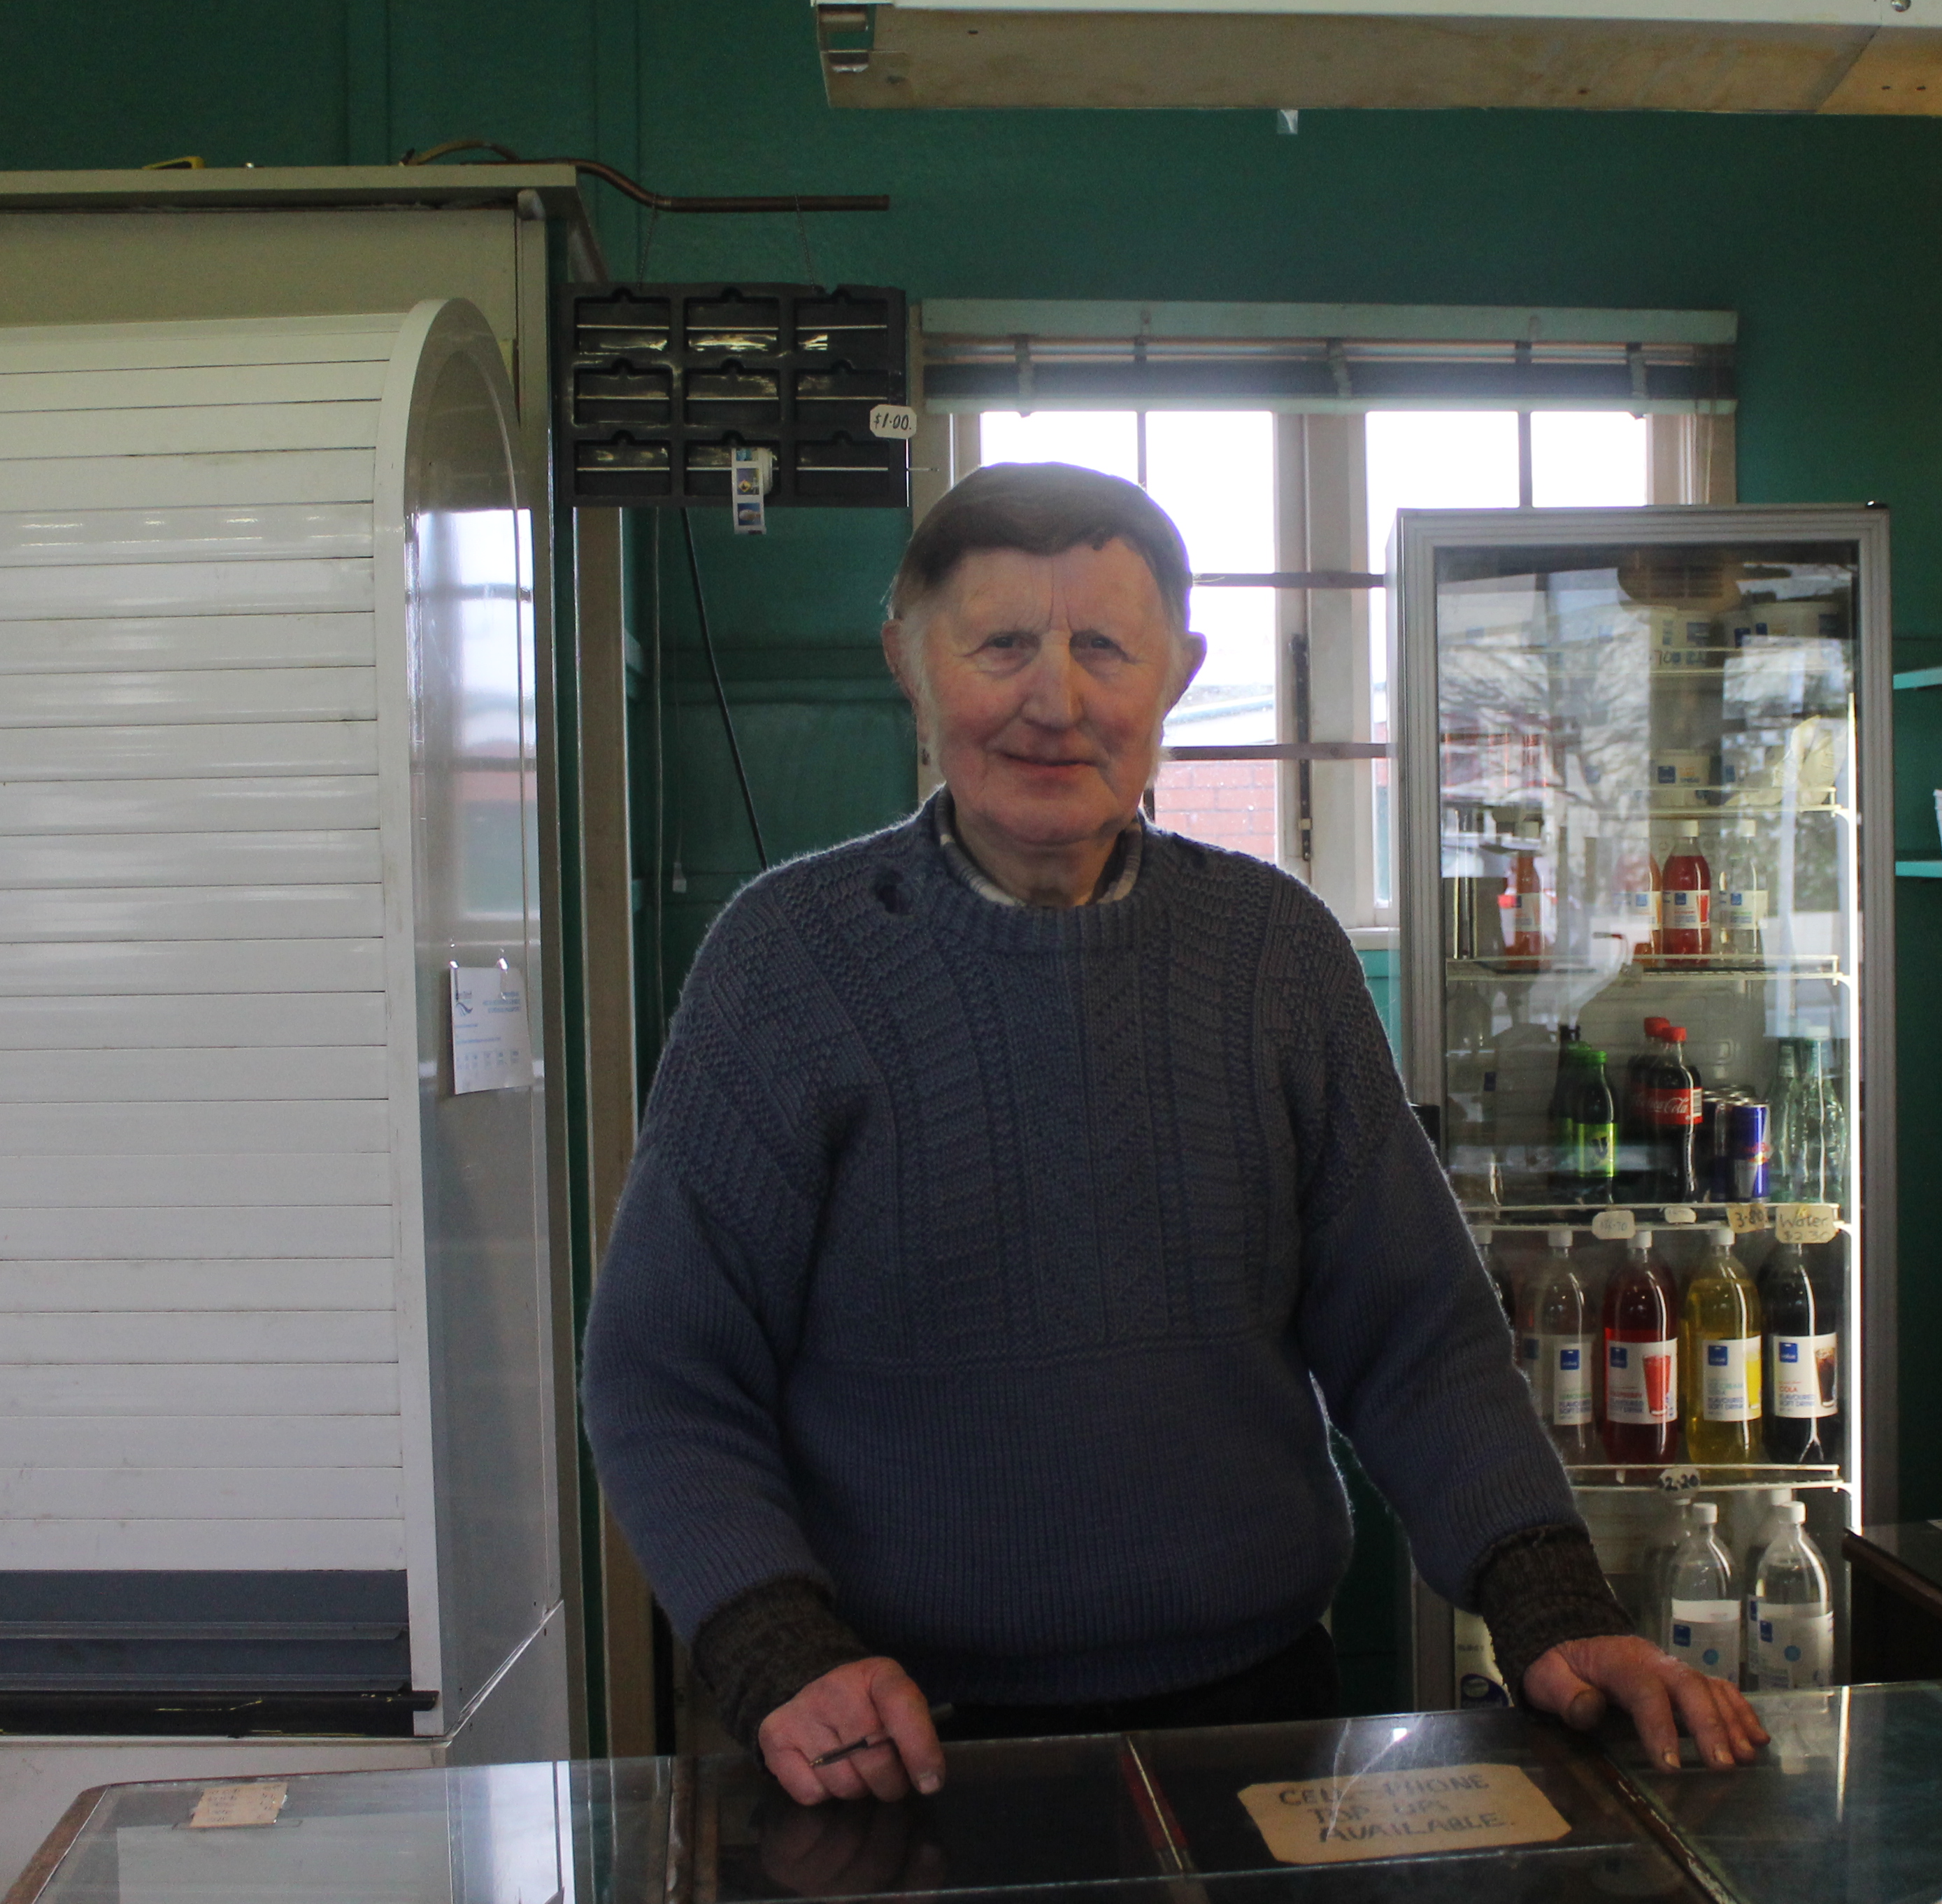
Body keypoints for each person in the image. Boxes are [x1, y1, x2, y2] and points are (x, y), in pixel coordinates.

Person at [583, 462, 1764, 1804]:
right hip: (880, 1745)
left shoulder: (1274, 955)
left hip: (1257, 1725)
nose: (1056, 698)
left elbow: (1416, 1335)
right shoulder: (786, 965)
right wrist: (772, 1647)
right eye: (1001, 646)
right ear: (908, 665)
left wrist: (1554, 1601)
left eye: (1103, 647)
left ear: (1179, 673)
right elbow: (664, 1373)